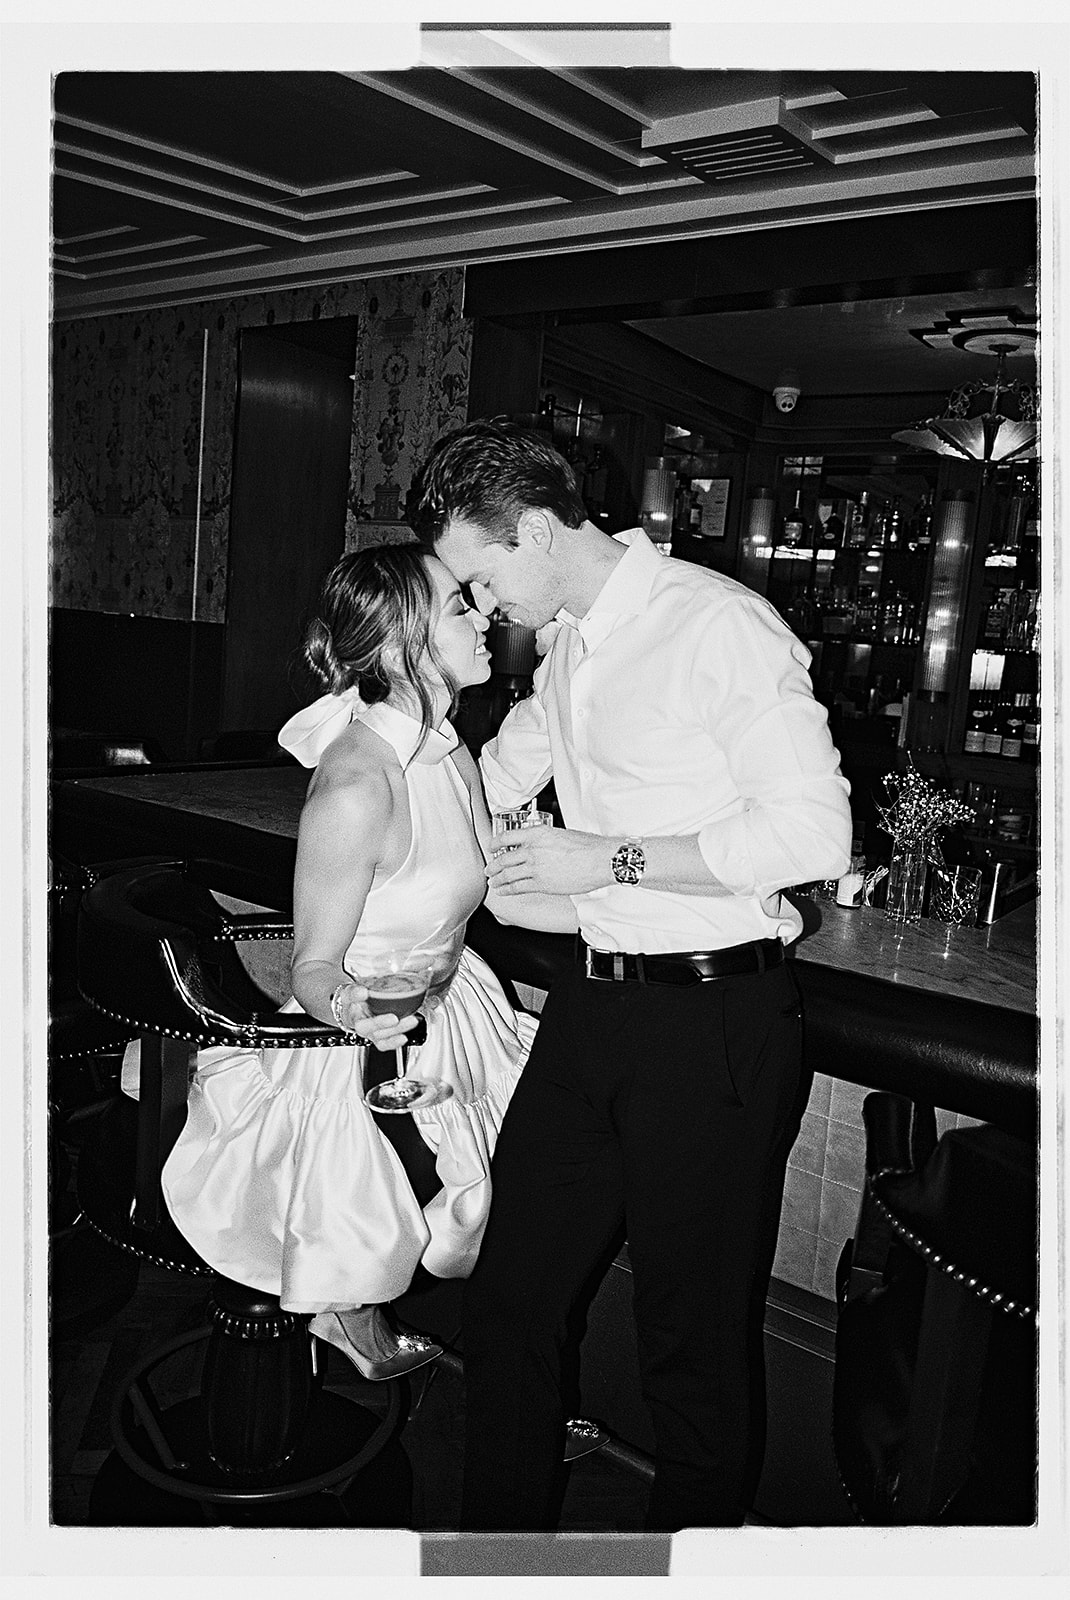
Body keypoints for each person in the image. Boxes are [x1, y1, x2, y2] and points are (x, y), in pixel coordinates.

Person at [408, 420, 853, 1529]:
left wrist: (595, 858)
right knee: (509, 1300)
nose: (476, 606)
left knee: (687, 1340)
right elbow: (493, 778)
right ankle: (497, 1552)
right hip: (596, 1009)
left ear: (540, 530)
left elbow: (809, 837)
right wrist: (386, 738)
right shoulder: (566, 645)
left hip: (715, 1024)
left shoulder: (717, 625)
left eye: (477, 576)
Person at [142, 543, 580, 1381]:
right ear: (396, 649)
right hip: (350, 1040)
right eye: (459, 606)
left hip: (454, 1007)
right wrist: (359, 1011)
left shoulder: (448, 753)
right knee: (422, 1195)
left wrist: (640, 914)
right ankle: (353, 1309)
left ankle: (512, 1382)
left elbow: (498, 888)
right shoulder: (355, 786)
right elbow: (313, 967)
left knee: (546, 1164)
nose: (484, 614)